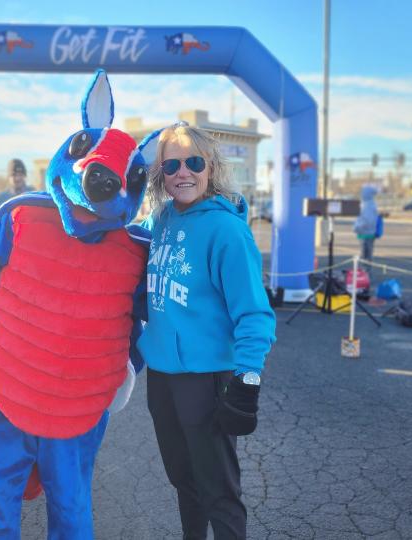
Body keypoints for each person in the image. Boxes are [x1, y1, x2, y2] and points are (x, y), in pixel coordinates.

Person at [138, 123, 276, 539]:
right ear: (160, 173)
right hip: (163, 376)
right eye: (172, 165)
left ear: (210, 167)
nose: (183, 173)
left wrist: (247, 379)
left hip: (207, 378)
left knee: (218, 490)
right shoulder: (160, 220)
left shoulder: (226, 230)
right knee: (184, 481)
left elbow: (255, 313)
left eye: (194, 162)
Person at [353, 185, 380, 273]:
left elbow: (367, 221)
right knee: (366, 256)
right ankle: (366, 274)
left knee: (365, 256)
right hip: (366, 233)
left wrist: (357, 228)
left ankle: (365, 275)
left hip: (366, 234)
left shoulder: (368, 205)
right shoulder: (368, 204)